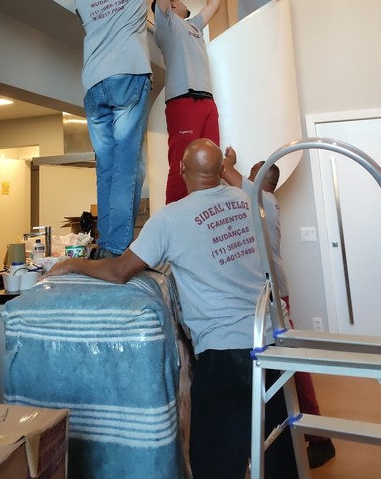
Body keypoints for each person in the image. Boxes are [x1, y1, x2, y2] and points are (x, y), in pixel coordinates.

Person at [44, 138, 299, 479]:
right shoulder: (256, 202)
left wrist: (74, 265)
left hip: (224, 355)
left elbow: (119, 270)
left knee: (216, 463)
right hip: (274, 347)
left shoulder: (170, 219)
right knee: (281, 453)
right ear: (222, 169)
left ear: (181, 170)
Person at [221, 148, 336, 470]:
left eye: (253, 175)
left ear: (261, 182)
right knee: (284, 367)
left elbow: (226, 172)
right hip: (271, 294)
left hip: (276, 298)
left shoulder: (263, 203)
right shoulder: (258, 205)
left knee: (293, 370)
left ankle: (321, 439)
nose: (248, 179)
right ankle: (298, 432)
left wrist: (228, 160)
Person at [74, 0, 166, 258]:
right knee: (127, 163)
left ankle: (107, 242)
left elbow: (83, 19)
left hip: (93, 83)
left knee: (107, 164)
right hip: (128, 74)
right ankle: (116, 248)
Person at [151, 0, 223, 203]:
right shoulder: (166, 25)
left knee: (211, 159)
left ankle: (208, 211)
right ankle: (175, 218)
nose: (181, 2)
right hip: (183, 101)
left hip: (207, 102)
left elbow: (213, 5)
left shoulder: (193, 25)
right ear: (170, 5)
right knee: (182, 164)